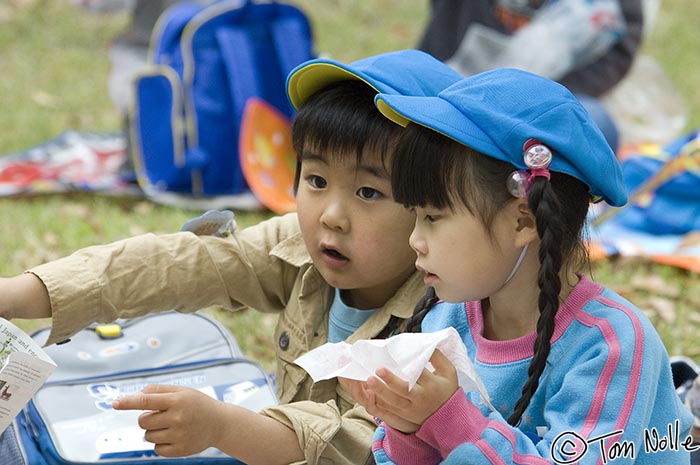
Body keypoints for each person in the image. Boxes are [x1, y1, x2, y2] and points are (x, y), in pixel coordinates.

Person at [0, 50, 461, 465]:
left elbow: (359, 441)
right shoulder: (301, 247)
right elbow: (176, 265)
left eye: (368, 191)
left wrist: (221, 427)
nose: (333, 217)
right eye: (317, 180)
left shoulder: (445, 318)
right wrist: (14, 295)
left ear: (431, 208)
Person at [341, 68, 695, 464]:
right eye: (415, 215)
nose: (414, 240)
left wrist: (447, 419)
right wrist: (405, 423)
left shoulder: (610, 346)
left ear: (523, 220)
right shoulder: (445, 325)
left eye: (433, 217)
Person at [416, 0, 645, 153]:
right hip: (451, 81)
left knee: (598, 127)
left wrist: (547, 98)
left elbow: (621, 47)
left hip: (544, 102)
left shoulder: (609, 10)